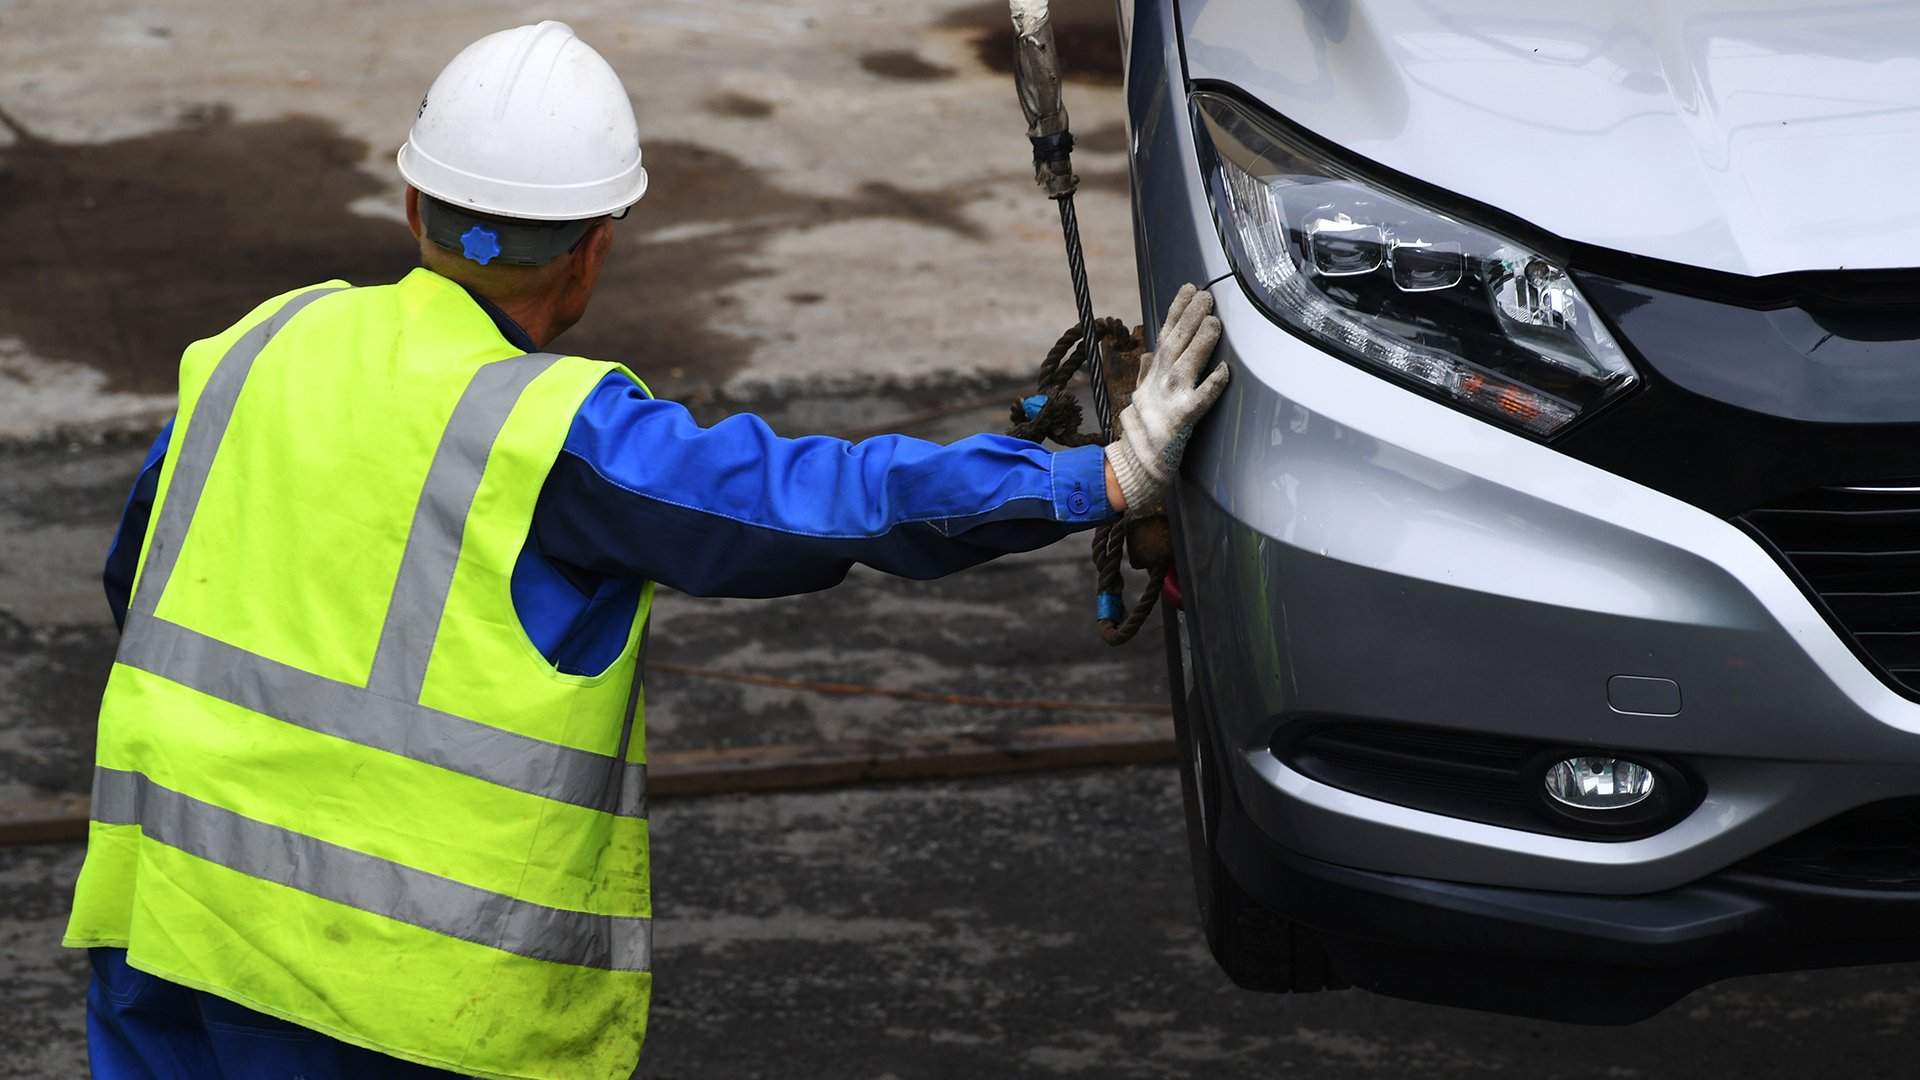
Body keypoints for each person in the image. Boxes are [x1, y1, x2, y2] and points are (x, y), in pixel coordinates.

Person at [64, 20, 1228, 1080]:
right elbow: (813, 501)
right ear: (594, 249)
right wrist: (1102, 477)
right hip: (380, 997)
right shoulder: (545, 433)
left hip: (161, 928)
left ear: (412, 203)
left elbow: (142, 579)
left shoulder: (259, 345)